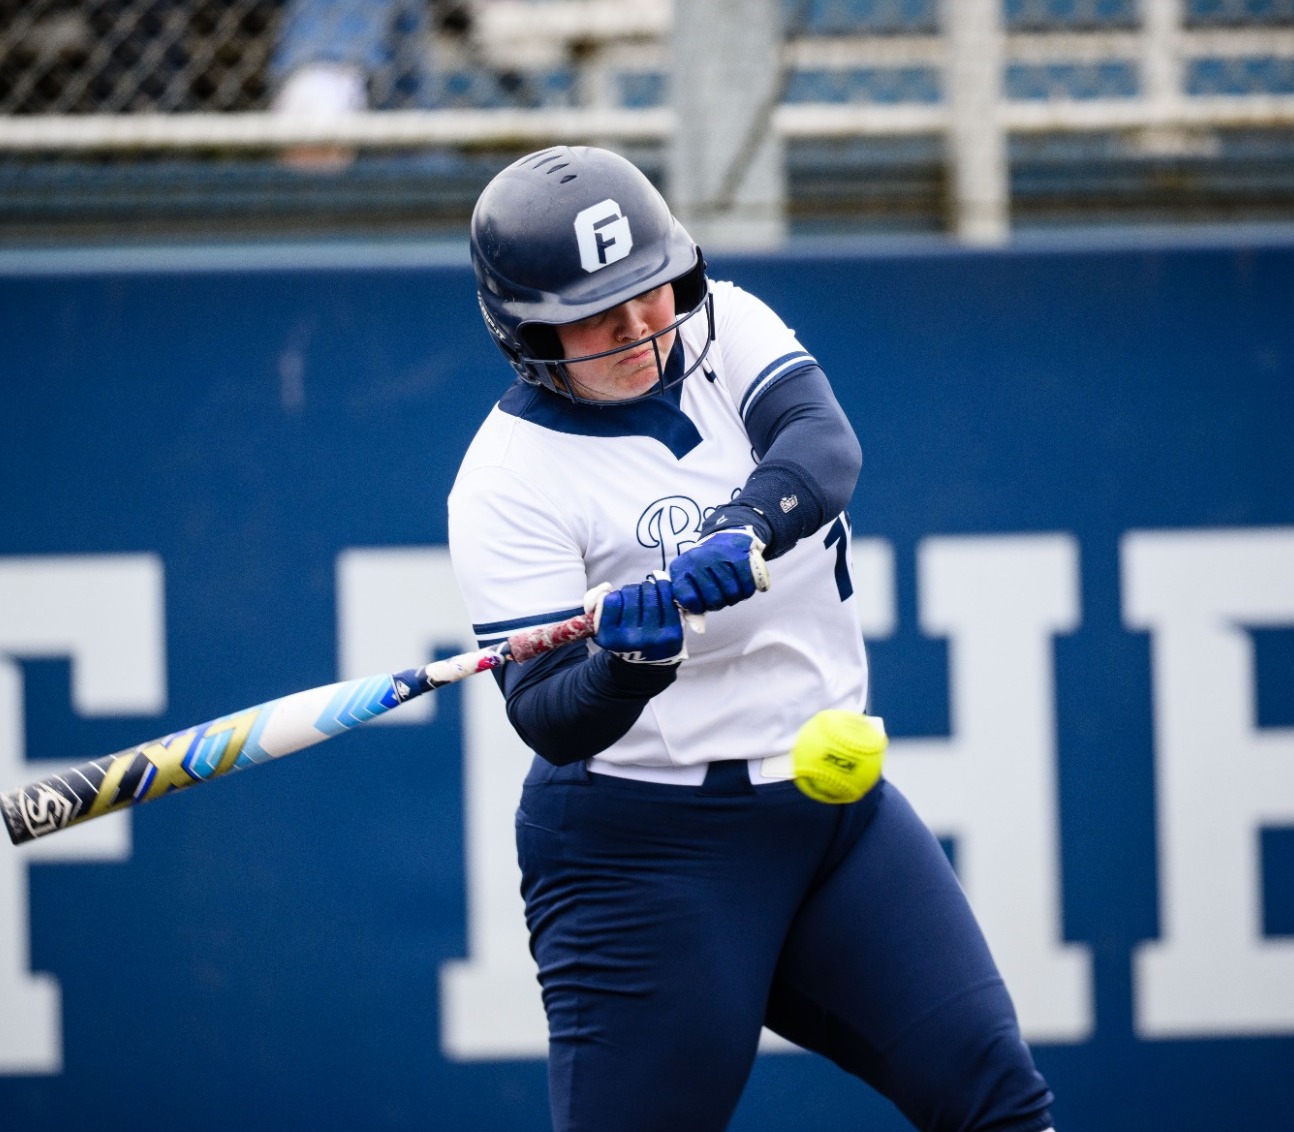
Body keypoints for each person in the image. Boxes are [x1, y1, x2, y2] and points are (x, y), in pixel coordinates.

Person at [447, 146, 1056, 1132]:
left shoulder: (725, 325)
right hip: (643, 852)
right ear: (528, 338)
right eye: (599, 315)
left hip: (835, 820)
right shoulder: (505, 483)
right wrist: (628, 662)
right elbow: (549, 714)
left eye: (652, 290)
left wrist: (741, 524)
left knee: (996, 1099)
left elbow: (820, 446)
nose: (642, 326)